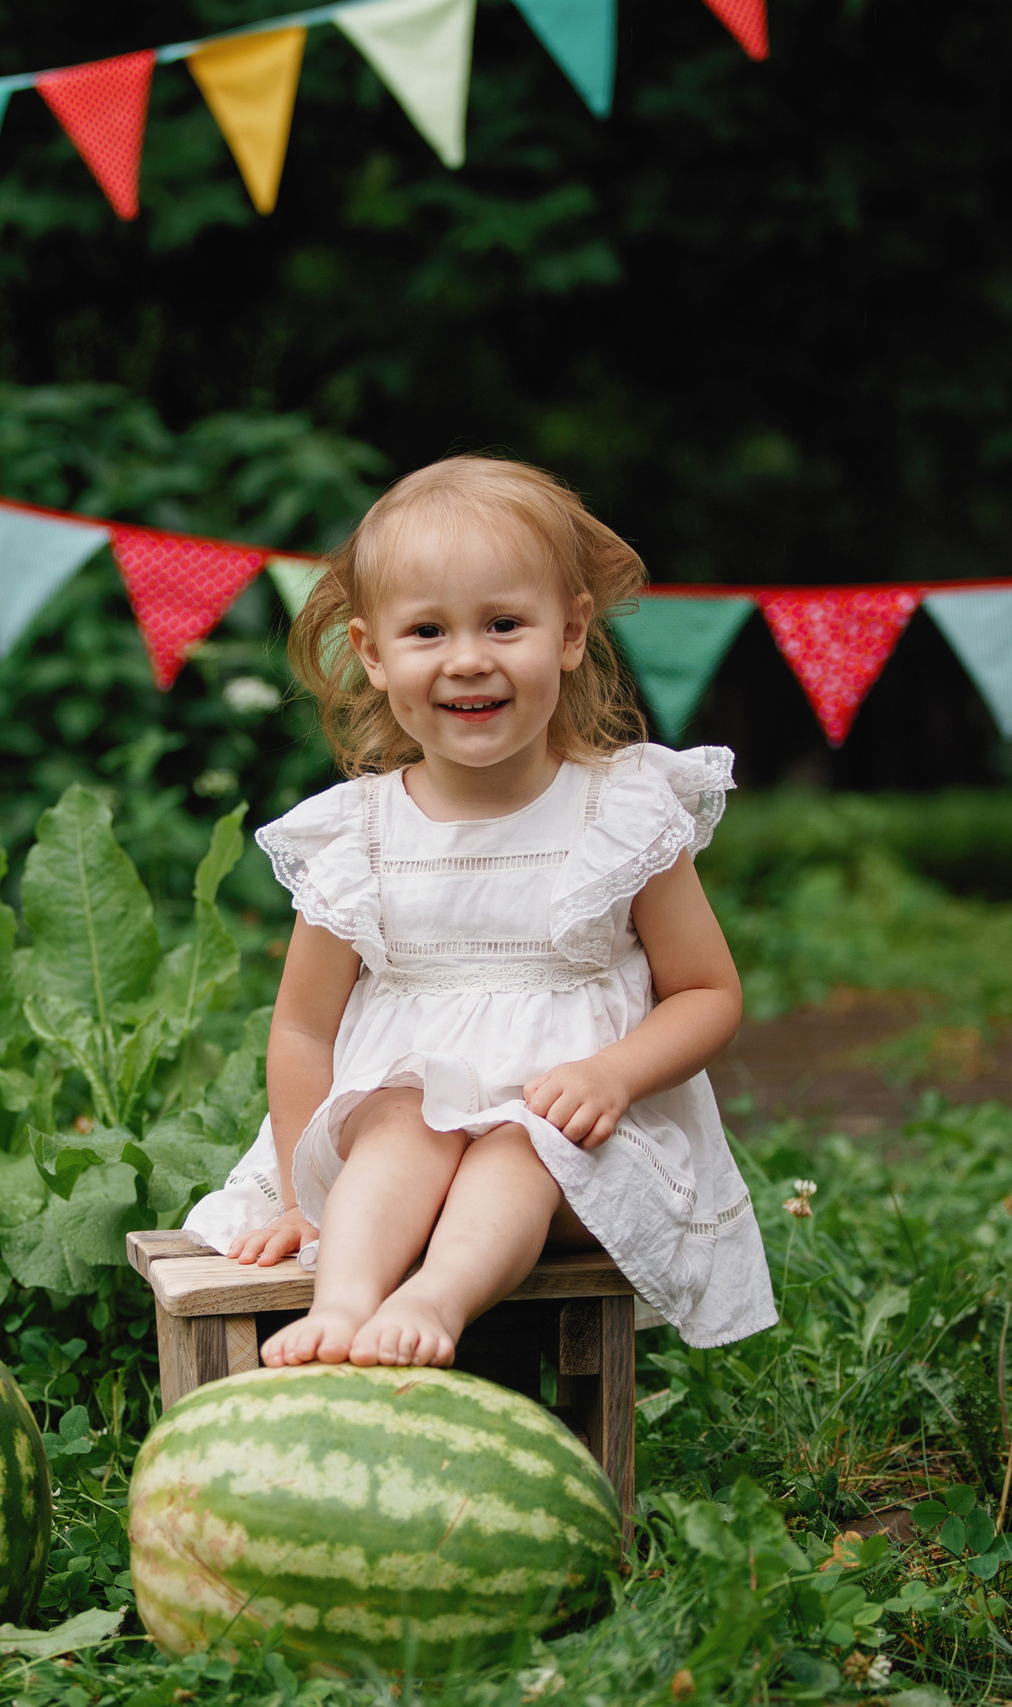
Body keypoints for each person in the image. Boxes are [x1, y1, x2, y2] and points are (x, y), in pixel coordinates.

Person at [184, 455, 777, 1366]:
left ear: (571, 632)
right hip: (406, 1143)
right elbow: (304, 1029)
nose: (468, 658)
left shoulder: (620, 814)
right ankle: (343, 1302)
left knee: (517, 1148)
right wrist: (303, 1198)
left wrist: (615, 1074)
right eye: (427, 630)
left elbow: (707, 991)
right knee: (398, 1121)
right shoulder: (360, 836)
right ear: (374, 654)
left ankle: (436, 1296)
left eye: (504, 623)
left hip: (580, 1151)